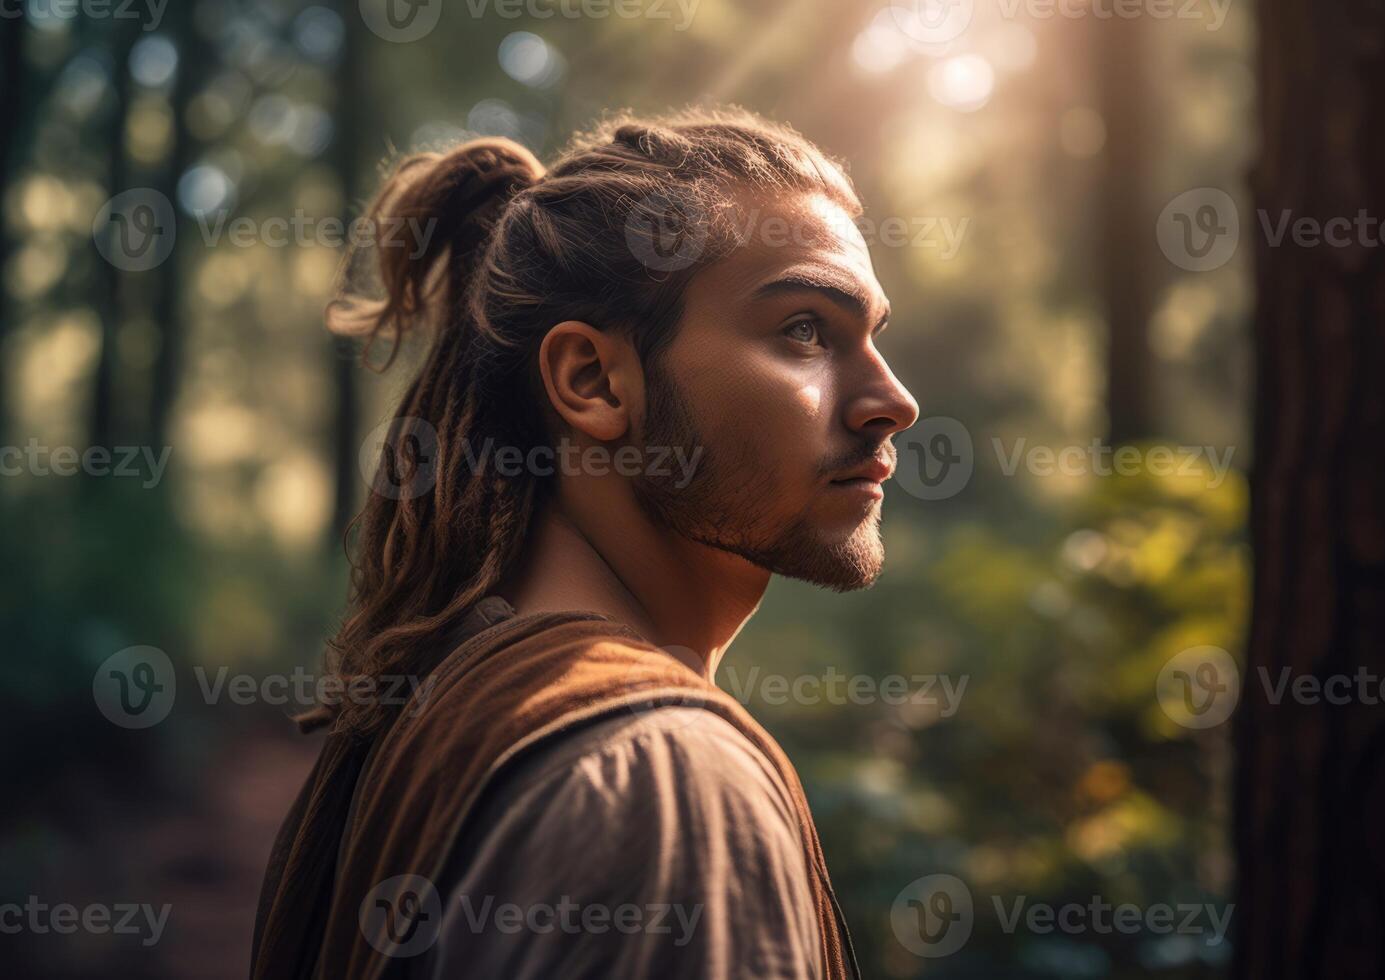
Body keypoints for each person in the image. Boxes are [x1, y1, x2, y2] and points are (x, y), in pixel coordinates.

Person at [252, 106, 918, 980]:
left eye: (872, 336)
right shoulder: (664, 782)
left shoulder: (440, 696)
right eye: (804, 330)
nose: (892, 400)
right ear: (594, 379)